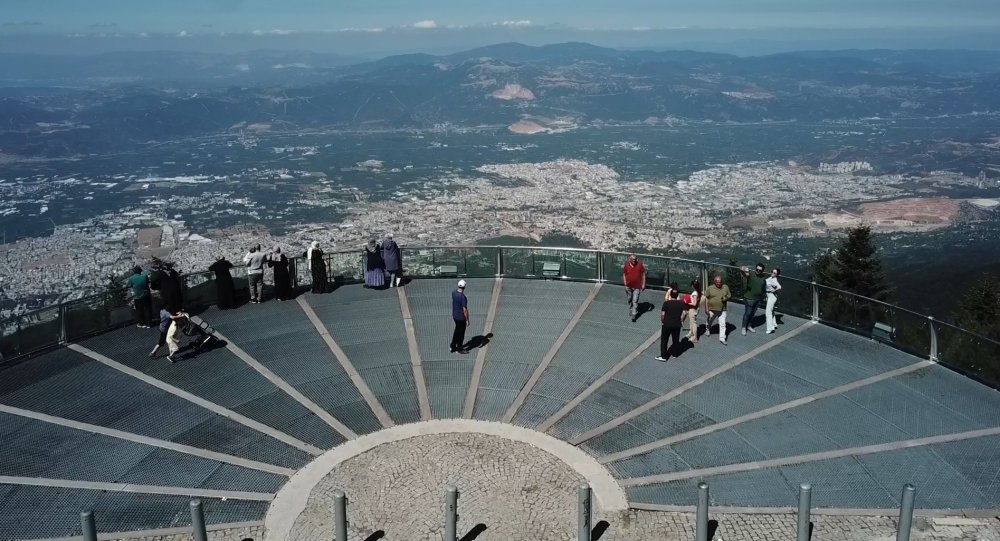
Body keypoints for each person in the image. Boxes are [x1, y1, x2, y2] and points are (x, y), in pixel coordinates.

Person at [657, 289, 689, 361]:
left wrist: (663, 321)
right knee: (675, 339)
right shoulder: (681, 303)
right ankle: (675, 354)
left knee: (664, 340)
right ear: (678, 295)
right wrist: (682, 320)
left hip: (667, 324)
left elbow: (663, 314)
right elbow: (684, 313)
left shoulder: (667, 303)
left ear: (670, 295)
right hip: (677, 324)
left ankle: (664, 356)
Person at [740, 263, 767, 336]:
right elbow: (744, 274)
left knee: (752, 313)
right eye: (757, 269)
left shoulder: (763, 278)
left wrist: (764, 296)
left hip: (757, 299)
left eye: (759, 270)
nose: (758, 271)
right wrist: (742, 270)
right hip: (749, 298)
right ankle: (743, 328)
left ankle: (749, 326)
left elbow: (763, 288)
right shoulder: (751, 274)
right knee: (748, 313)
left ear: (762, 271)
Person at [704, 274, 731, 344]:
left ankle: (722, 338)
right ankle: (708, 329)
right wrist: (706, 308)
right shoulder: (710, 288)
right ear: (714, 282)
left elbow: (729, 295)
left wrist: (726, 298)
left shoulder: (725, 287)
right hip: (712, 309)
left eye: (720, 282)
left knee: (722, 324)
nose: (719, 283)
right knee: (710, 320)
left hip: (722, 309)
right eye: (717, 282)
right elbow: (706, 298)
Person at [622, 254, 646, 322]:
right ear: (630, 259)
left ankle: (634, 314)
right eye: (633, 260)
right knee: (630, 298)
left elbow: (643, 274)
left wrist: (643, 284)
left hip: (637, 286)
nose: (634, 261)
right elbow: (624, 274)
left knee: (635, 300)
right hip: (628, 285)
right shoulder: (626, 265)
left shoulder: (640, 265)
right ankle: (630, 308)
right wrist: (625, 283)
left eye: (635, 259)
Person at [450, 279, 470, 353]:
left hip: (455, 316)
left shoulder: (454, 293)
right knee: (461, 333)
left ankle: (453, 346)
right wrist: (467, 320)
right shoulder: (463, 297)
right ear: (464, 287)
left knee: (457, 331)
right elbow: (465, 310)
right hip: (461, 318)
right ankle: (459, 348)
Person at [765, 268, 782, 334]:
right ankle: (774, 324)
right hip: (768, 295)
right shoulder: (770, 278)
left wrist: (773, 290)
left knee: (768, 312)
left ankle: (770, 328)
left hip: (772, 296)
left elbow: (779, 287)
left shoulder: (774, 280)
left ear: (777, 274)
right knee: (771, 310)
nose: (772, 273)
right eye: (772, 271)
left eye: (774, 273)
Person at [685, 279, 703, 344]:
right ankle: (691, 333)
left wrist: (686, 302)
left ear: (693, 286)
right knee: (691, 322)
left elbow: (694, 303)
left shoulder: (695, 293)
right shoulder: (699, 292)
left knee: (693, 323)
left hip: (693, 309)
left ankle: (695, 337)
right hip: (695, 309)